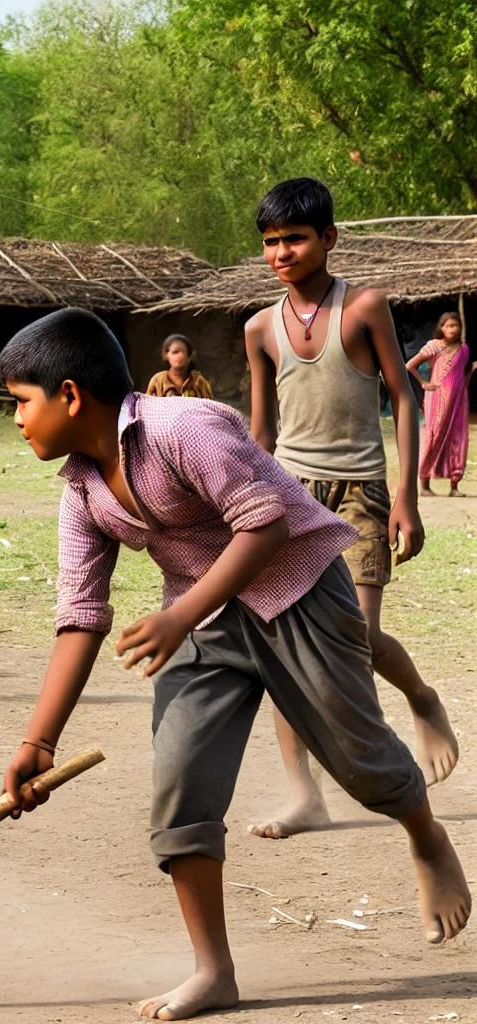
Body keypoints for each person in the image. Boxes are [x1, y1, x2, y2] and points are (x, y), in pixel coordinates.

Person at [0, 308, 469, 1021]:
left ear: (68, 395)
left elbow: (268, 523)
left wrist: (178, 616)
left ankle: (426, 837)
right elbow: (80, 617)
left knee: (361, 760)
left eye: (19, 403)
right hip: (200, 620)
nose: (16, 421)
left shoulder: (186, 427)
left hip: (298, 594)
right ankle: (214, 971)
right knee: (180, 788)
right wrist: (39, 742)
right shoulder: (82, 489)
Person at [244, 178, 457, 839]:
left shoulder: (364, 308)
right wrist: (243, 507)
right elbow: (260, 433)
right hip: (290, 496)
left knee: (352, 640)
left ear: (329, 238)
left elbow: (403, 395)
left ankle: (419, 696)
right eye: (271, 243)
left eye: (296, 239)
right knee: (283, 649)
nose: (282, 252)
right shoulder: (259, 328)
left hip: (359, 493)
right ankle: (304, 794)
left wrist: (406, 500)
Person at [406, 312, 474, 497]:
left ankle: (454, 486)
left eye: (456, 325)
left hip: (458, 400)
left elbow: (461, 377)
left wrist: (471, 373)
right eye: (449, 326)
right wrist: (424, 383)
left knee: (458, 440)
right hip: (437, 398)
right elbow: (410, 365)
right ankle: (425, 485)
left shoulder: (464, 349)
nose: (453, 329)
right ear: (441, 328)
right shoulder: (435, 346)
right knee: (433, 437)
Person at [145, 334, 214, 398]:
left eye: (182, 352)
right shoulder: (158, 381)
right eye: (175, 352)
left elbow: (210, 407)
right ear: (166, 356)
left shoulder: (199, 382)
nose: (178, 356)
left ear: (189, 357)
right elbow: (148, 406)